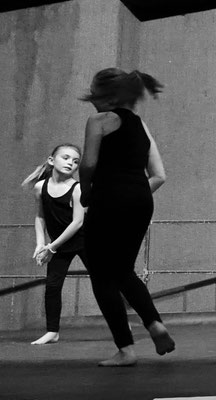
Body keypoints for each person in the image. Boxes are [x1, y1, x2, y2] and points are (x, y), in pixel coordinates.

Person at [79, 68, 175, 367]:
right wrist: (132, 193)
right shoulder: (140, 124)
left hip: (108, 197)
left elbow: (88, 163)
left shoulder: (99, 120)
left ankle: (125, 349)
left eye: (94, 96)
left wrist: (86, 192)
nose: (92, 102)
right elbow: (159, 175)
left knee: (101, 274)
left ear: (107, 96)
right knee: (122, 270)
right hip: (140, 200)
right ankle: (154, 323)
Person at [22, 144, 87, 345]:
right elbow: (40, 216)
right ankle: (52, 331)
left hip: (84, 241)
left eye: (75, 161)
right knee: (52, 286)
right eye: (65, 158)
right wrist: (40, 243)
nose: (70, 163)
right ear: (52, 160)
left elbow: (78, 222)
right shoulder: (40, 187)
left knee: (104, 282)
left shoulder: (78, 189)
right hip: (59, 244)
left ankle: (121, 322)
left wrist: (51, 247)